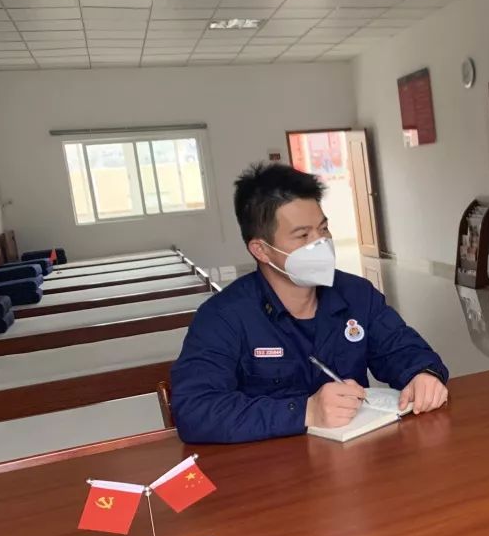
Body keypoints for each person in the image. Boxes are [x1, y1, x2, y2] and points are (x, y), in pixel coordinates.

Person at [171, 163, 448, 444]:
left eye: (323, 229)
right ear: (261, 250)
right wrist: (305, 411)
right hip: (271, 463)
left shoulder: (355, 294)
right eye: (303, 235)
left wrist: (423, 374)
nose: (321, 243)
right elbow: (195, 410)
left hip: (356, 454)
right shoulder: (223, 316)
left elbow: (401, 348)